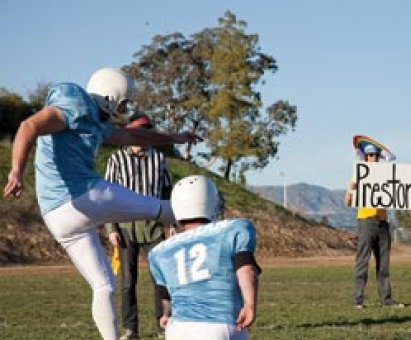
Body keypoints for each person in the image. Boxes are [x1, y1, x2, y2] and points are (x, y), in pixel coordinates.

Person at [3, 67, 202, 340]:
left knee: (103, 285)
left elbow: (134, 136)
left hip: (57, 217)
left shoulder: (96, 121)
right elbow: (29, 126)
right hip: (81, 195)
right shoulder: (75, 102)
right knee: (164, 210)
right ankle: (213, 243)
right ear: (110, 96)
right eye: (124, 101)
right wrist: (16, 170)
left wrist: (172, 138)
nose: (127, 106)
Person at [148, 175, 260, 340]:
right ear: (210, 201)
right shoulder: (232, 229)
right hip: (220, 324)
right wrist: (250, 305)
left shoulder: (160, 251)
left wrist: (165, 314)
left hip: (178, 328)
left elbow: (163, 292)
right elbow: (246, 269)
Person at [104, 113, 175, 340]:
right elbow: (107, 196)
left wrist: (171, 221)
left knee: (160, 279)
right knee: (127, 282)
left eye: (147, 130)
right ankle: (131, 329)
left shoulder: (159, 159)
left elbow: (167, 192)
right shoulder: (115, 160)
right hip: (125, 228)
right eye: (139, 130)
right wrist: (111, 229)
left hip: (154, 225)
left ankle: (163, 325)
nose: (143, 135)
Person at [344, 143, 402, 308]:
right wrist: (350, 191)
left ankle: (387, 299)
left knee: (384, 264)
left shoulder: (385, 176)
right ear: (365, 157)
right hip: (366, 221)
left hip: (383, 222)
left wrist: (410, 192)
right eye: (370, 155)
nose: (374, 158)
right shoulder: (358, 175)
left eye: (376, 155)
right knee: (362, 261)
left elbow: (398, 193)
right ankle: (358, 300)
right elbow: (347, 202)